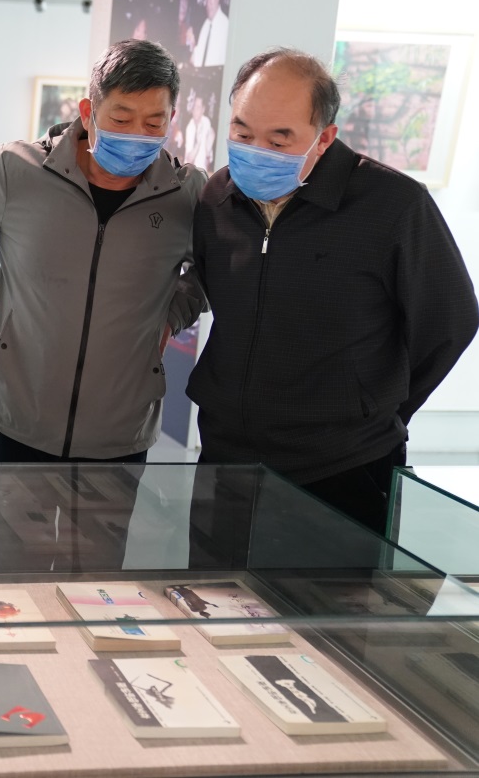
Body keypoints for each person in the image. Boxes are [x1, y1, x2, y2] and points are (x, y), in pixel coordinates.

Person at [183, 48, 479, 532]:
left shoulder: (394, 205)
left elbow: (450, 322)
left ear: (323, 138)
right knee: (213, 580)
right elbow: (215, 287)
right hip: (226, 456)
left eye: (279, 140)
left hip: (343, 466)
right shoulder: (218, 196)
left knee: (332, 585)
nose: (255, 151)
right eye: (242, 132)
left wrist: (375, 408)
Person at [0, 39, 206, 464]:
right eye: (121, 119)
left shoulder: (186, 192)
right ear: (88, 111)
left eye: (154, 123)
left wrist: (173, 316)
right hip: (17, 417)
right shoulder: (19, 170)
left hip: (120, 430)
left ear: (172, 118)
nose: (136, 135)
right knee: (10, 513)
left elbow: (217, 265)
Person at [190, 0, 228, 68]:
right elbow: (196, 60)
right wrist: (192, 44)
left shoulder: (226, 26)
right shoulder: (206, 25)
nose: (208, 1)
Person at [183, 92, 214, 172]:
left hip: (202, 172)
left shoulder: (206, 122)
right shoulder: (190, 127)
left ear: (203, 109)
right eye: (194, 107)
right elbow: (189, 160)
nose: (195, 110)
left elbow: (208, 161)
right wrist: (198, 143)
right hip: (189, 172)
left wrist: (208, 147)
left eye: (198, 107)